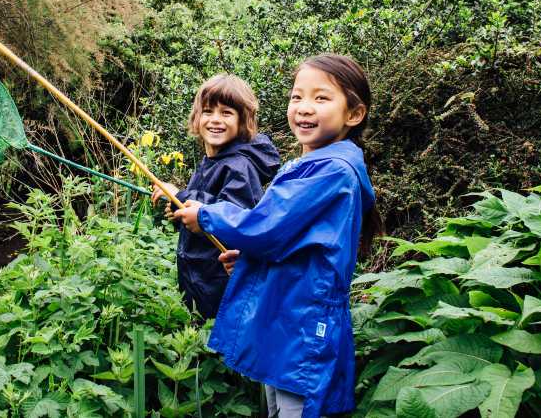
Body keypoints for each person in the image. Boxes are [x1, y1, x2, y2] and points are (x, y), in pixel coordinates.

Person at [174, 54, 377, 418]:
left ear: (354, 114)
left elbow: (265, 228)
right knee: (277, 407)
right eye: (297, 97)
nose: (304, 108)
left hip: (302, 326)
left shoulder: (331, 172)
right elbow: (294, 245)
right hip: (285, 317)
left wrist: (204, 214)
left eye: (321, 98)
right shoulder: (309, 164)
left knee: (297, 408)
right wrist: (254, 263)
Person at [152, 74, 280, 320]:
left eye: (227, 113)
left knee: (214, 349)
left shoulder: (239, 166)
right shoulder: (212, 160)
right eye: (208, 111)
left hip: (219, 283)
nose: (215, 120)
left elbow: (233, 219)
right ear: (197, 118)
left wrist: (181, 194)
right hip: (197, 276)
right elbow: (204, 208)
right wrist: (179, 211)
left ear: (243, 120)